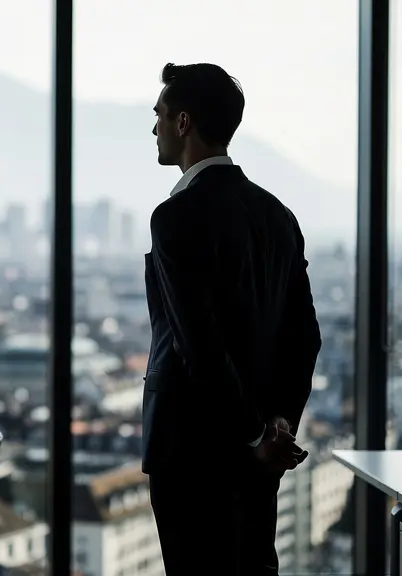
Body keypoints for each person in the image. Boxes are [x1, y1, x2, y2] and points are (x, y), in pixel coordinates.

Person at [142, 63, 322, 575]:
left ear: (183, 123)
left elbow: (198, 346)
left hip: (190, 451)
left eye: (158, 114)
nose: (153, 127)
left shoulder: (175, 218)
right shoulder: (277, 214)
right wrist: (276, 428)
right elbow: (305, 336)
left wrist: (252, 435)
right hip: (260, 452)